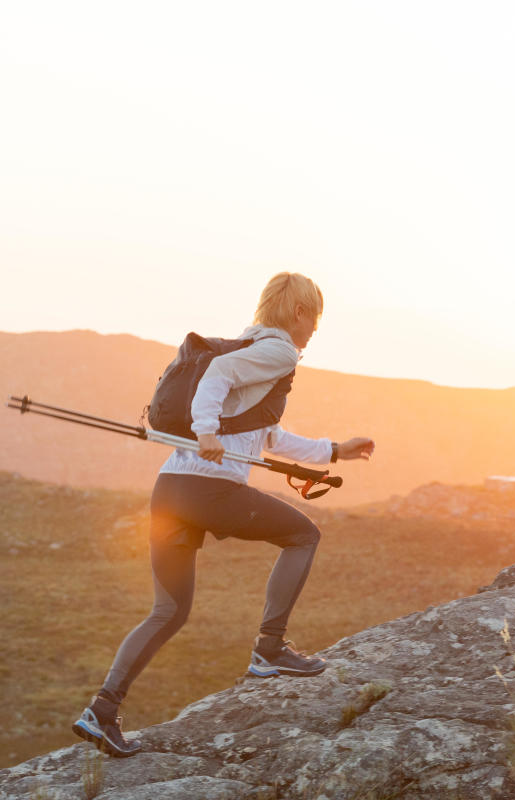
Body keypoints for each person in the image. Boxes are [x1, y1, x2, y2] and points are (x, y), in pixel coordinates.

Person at [72, 272, 375, 757]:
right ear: (299, 312)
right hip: (208, 489)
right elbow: (217, 380)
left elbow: (269, 435)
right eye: (314, 316)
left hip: (171, 489)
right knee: (304, 536)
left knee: (168, 611)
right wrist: (206, 429)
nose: (315, 328)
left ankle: (102, 710)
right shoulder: (277, 352)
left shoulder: (250, 345)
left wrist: (335, 451)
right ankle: (270, 649)